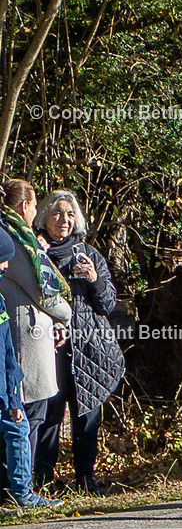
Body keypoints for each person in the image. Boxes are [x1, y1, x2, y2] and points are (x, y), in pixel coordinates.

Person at [33, 191, 125, 494]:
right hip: (50, 348)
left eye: (70, 214)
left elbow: (108, 304)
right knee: (49, 417)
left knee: (88, 417)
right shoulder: (35, 250)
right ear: (44, 216)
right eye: (58, 213)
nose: (64, 220)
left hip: (89, 349)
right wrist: (42, 258)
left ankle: (86, 480)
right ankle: (42, 482)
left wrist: (95, 278)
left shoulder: (88, 253)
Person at [0, 180, 72, 467]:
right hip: (24, 340)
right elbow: (41, 291)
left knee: (30, 415)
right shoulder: (14, 238)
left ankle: (22, 486)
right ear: (24, 206)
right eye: (34, 205)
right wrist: (66, 313)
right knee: (26, 416)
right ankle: (20, 488)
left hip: (30, 334)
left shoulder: (22, 235)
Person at [0, 226, 62, 509]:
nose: (6, 265)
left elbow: (7, 348)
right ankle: (21, 492)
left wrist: (14, 381)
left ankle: (20, 491)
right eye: (3, 259)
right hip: (4, 387)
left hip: (8, 382)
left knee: (18, 429)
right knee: (17, 430)